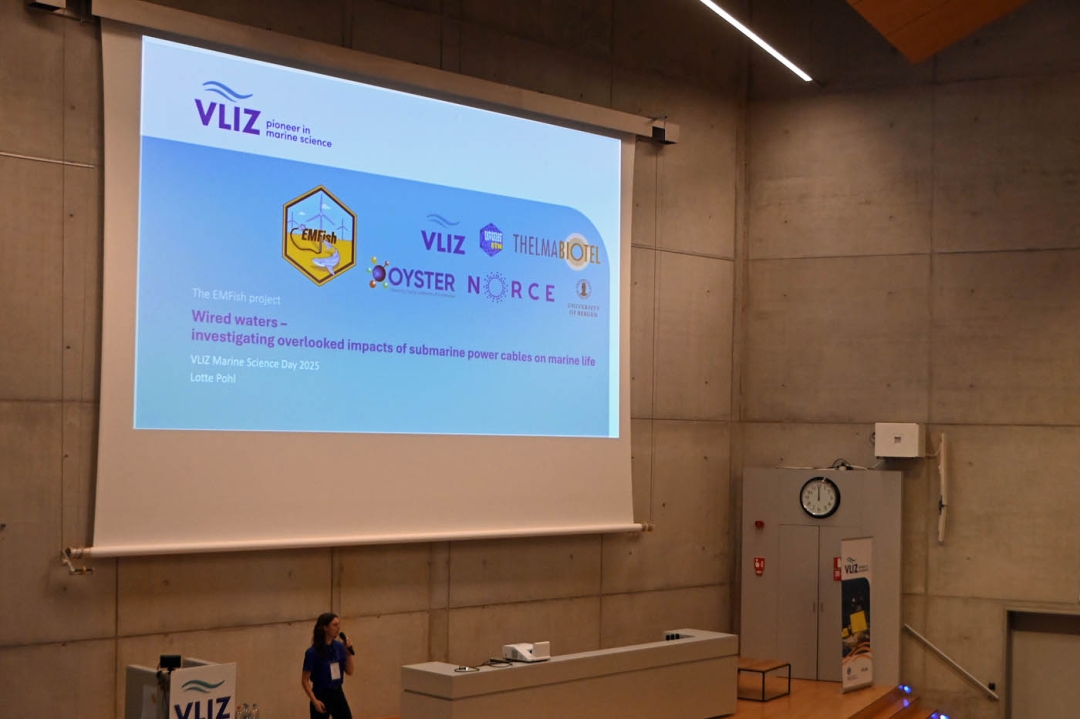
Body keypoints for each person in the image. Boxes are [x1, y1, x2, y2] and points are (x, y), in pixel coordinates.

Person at [301, 612, 355, 719]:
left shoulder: (339, 646)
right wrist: (314, 701)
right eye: (334, 625)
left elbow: (350, 671)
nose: (338, 628)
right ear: (325, 628)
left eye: (338, 624)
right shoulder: (312, 653)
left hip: (338, 693)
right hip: (321, 695)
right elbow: (305, 680)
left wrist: (348, 654)